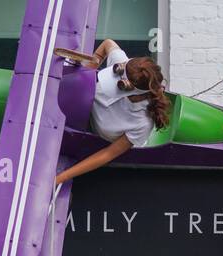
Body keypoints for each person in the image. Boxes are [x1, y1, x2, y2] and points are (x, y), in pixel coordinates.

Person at [55, 39, 169, 184]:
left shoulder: (142, 123)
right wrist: (85, 74)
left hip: (85, 133)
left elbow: (107, 155)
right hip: (75, 101)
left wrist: (60, 178)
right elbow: (108, 43)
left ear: (133, 90)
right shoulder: (124, 65)